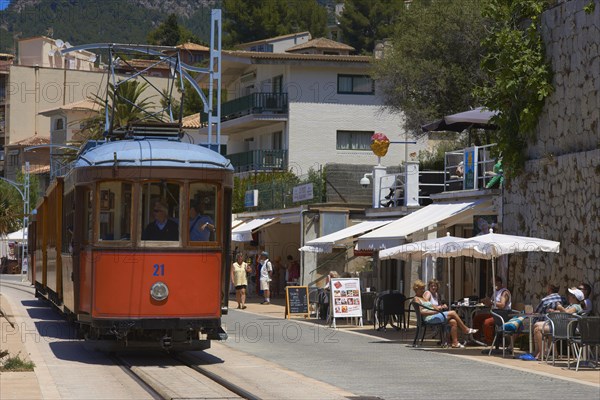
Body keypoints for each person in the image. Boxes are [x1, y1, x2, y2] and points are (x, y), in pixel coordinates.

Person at [413, 279, 477, 348]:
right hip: (429, 318)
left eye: (423, 288)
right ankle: (465, 329)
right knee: (453, 312)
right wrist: (434, 311)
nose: (423, 290)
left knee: (453, 322)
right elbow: (421, 312)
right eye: (421, 289)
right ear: (416, 290)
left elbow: (432, 306)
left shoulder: (423, 297)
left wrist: (439, 308)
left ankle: (455, 343)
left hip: (434, 315)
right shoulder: (416, 299)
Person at [532, 287, 585, 360]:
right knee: (537, 324)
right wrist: (554, 311)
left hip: (567, 329)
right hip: (563, 327)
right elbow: (565, 311)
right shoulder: (572, 305)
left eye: (570, 295)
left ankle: (542, 352)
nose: (568, 296)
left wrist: (559, 307)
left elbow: (567, 313)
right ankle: (550, 352)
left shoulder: (577, 306)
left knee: (538, 329)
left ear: (574, 297)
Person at [473, 276, 512, 345]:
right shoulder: (495, 292)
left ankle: (489, 341)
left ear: (499, 283)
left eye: (494, 283)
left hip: (502, 314)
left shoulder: (504, 292)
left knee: (487, 322)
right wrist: (485, 301)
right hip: (494, 313)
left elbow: (502, 305)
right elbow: (491, 304)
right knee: (477, 318)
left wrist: (491, 302)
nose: (492, 285)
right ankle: (476, 339)